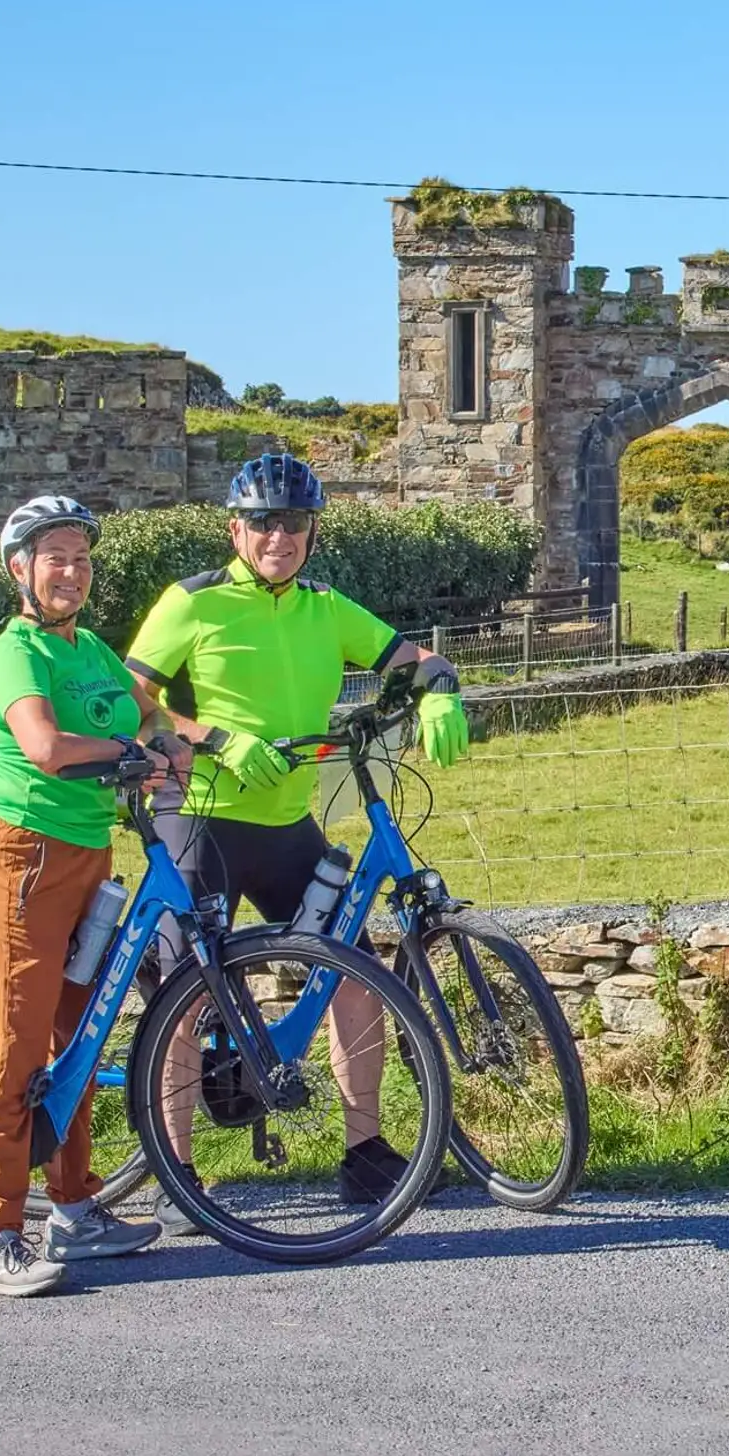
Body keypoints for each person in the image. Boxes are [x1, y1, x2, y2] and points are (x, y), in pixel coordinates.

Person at [121, 452, 469, 1221]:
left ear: (313, 532)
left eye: (296, 522)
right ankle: (176, 1172)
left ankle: (365, 1152)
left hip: (287, 823)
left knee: (357, 971)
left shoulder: (325, 606)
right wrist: (209, 735)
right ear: (234, 528)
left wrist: (439, 690)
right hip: (202, 816)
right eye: (265, 521)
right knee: (186, 988)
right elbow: (129, 699)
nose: (280, 535)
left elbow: (418, 659)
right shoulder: (192, 603)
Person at [0, 496, 183, 1297]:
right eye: (55, 556)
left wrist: (193, 745)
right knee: (17, 1045)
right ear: (20, 568)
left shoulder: (89, 646)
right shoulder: (15, 651)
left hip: (89, 856)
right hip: (22, 854)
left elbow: (150, 715)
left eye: (82, 557)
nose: (72, 570)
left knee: (79, 1038)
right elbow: (47, 746)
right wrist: (132, 751)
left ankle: (75, 1208)